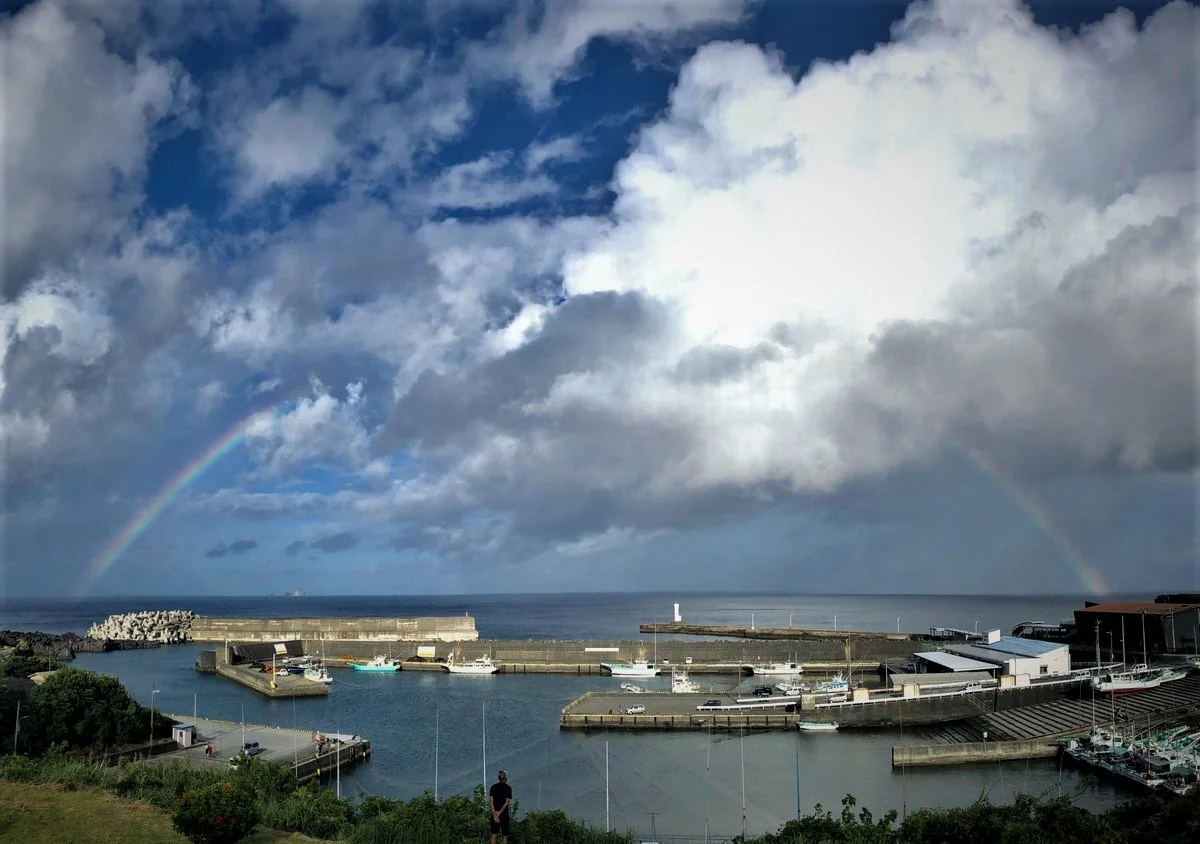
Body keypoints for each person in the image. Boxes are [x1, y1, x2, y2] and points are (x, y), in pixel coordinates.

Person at [488, 769, 512, 843]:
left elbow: (491, 802)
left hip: (495, 814)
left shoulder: (493, 787)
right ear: (505, 778)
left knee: (494, 834)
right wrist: (499, 813)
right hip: (504, 814)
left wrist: (495, 814)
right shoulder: (508, 788)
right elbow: (506, 803)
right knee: (505, 836)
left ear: (498, 778)